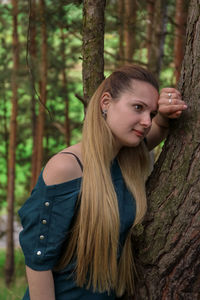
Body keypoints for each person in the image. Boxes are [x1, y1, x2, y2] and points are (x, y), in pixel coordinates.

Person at [18, 65, 187, 300]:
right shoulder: (67, 169)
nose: (147, 121)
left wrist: (166, 114)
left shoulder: (123, 159)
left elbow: (156, 130)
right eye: (138, 107)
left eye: (150, 112)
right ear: (105, 102)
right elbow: (38, 262)